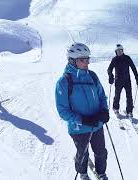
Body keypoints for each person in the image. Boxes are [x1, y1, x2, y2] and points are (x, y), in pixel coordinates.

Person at [55, 43, 109, 180]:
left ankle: (101, 173)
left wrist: (104, 110)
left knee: (101, 152)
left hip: (97, 123)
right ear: (72, 60)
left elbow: (102, 96)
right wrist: (82, 119)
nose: (86, 63)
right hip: (79, 127)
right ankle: (83, 174)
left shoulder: (92, 76)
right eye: (82, 60)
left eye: (87, 59)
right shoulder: (64, 81)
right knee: (83, 153)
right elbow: (62, 110)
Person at [107, 44, 138, 117]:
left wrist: (137, 78)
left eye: (120, 50)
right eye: (117, 51)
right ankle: (115, 108)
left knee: (129, 96)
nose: (119, 52)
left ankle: (129, 111)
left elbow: (133, 68)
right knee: (117, 95)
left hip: (127, 81)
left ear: (122, 51)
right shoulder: (115, 59)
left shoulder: (127, 58)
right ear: (115, 52)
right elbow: (109, 69)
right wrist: (110, 76)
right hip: (118, 80)